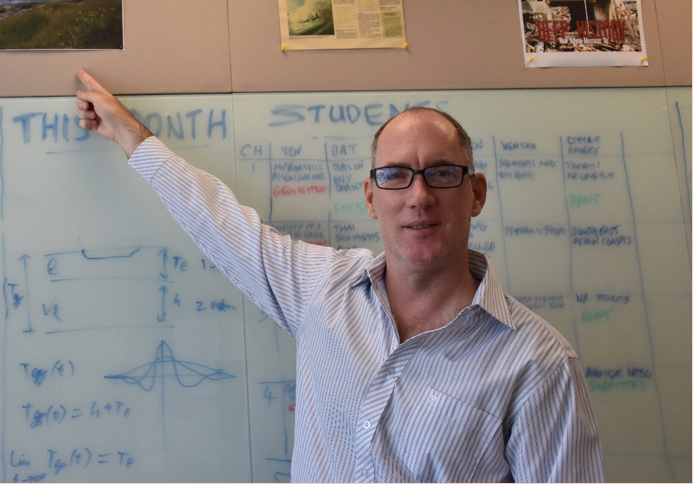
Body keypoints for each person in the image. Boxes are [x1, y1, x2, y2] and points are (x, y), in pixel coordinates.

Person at [74, 69, 605, 483]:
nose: (418, 196)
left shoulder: (539, 364)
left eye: (441, 173)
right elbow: (217, 221)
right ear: (372, 198)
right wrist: (128, 133)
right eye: (396, 176)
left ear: (477, 193)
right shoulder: (322, 289)